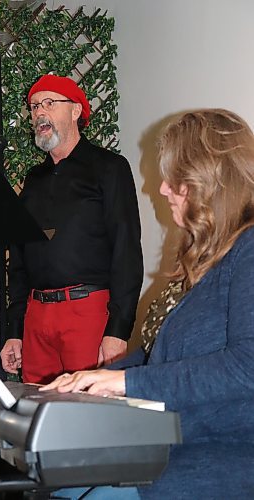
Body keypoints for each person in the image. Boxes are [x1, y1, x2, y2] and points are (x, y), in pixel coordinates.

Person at [41, 108, 254, 499]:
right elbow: (164, 357)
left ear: (207, 180)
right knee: (57, 484)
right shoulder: (209, 258)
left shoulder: (250, 251)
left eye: (175, 178)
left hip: (219, 459)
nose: (163, 189)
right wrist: (90, 379)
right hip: (169, 446)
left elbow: (247, 368)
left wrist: (123, 381)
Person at [0, 74, 143, 384]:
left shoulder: (109, 168)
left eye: (50, 103)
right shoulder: (34, 179)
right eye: (34, 106)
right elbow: (20, 258)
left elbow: (126, 250)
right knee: (39, 416)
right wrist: (15, 331)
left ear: (76, 111)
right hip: (37, 318)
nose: (39, 113)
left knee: (89, 419)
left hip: (88, 313)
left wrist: (117, 330)